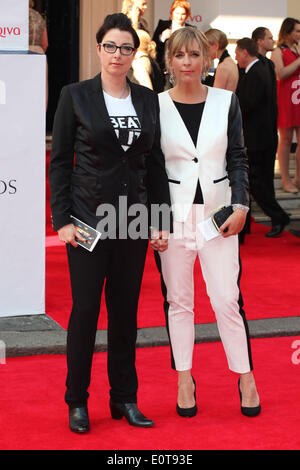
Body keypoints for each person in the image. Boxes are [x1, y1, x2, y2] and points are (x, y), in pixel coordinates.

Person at [49, 13, 171, 434]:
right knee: (84, 311)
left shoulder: (147, 99)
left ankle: (124, 397)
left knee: (126, 313)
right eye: (110, 46)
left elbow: (153, 163)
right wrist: (62, 219)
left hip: (135, 220)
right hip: (87, 220)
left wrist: (160, 219)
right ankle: (76, 401)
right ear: (98, 48)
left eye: (125, 47)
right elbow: (61, 161)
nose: (117, 54)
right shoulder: (75, 96)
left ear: (134, 53)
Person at [154, 27, 261, 418]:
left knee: (226, 300)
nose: (187, 63)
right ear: (169, 61)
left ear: (207, 58)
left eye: (194, 55)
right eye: (180, 55)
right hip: (174, 219)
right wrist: (154, 220)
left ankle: (245, 376)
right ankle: (184, 377)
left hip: (219, 218)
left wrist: (241, 205)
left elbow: (238, 157)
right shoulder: (156, 105)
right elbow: (151, 168)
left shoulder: (225, 101)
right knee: (179, 302)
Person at [236, 37, 290, 238]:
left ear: (244, 52)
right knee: (259, 182)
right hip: (264, 136)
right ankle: (255, 224)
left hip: (257, 138)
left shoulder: (257, 72)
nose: (236, 58)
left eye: (237, 53)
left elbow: (248, 104)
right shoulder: (264, 67)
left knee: (256, 183)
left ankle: (279, 217)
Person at [271, 18, 300, 193]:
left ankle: (298, 177)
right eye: (297, 31)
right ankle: (285, 180)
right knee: (286, 139)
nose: (299, 34)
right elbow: (280, 74)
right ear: (287, 32)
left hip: (298, 97)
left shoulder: (297, 48)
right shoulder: (278, 51)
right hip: (286, 98)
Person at [152, 1, 193, 81]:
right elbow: (153, 45)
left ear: (187, 15)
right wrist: (162, 38)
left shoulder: (192, 29)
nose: (180, 17)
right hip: (163, 71)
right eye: (177, 13)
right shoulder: (163, 25)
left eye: (183, 14)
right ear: (172, 13)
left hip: (183, 70)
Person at [29, 0, 48, 106]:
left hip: (22, 54)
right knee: (39, 90)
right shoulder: (39, 17)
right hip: (39, 53)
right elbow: (45, 43)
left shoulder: (16, 18)